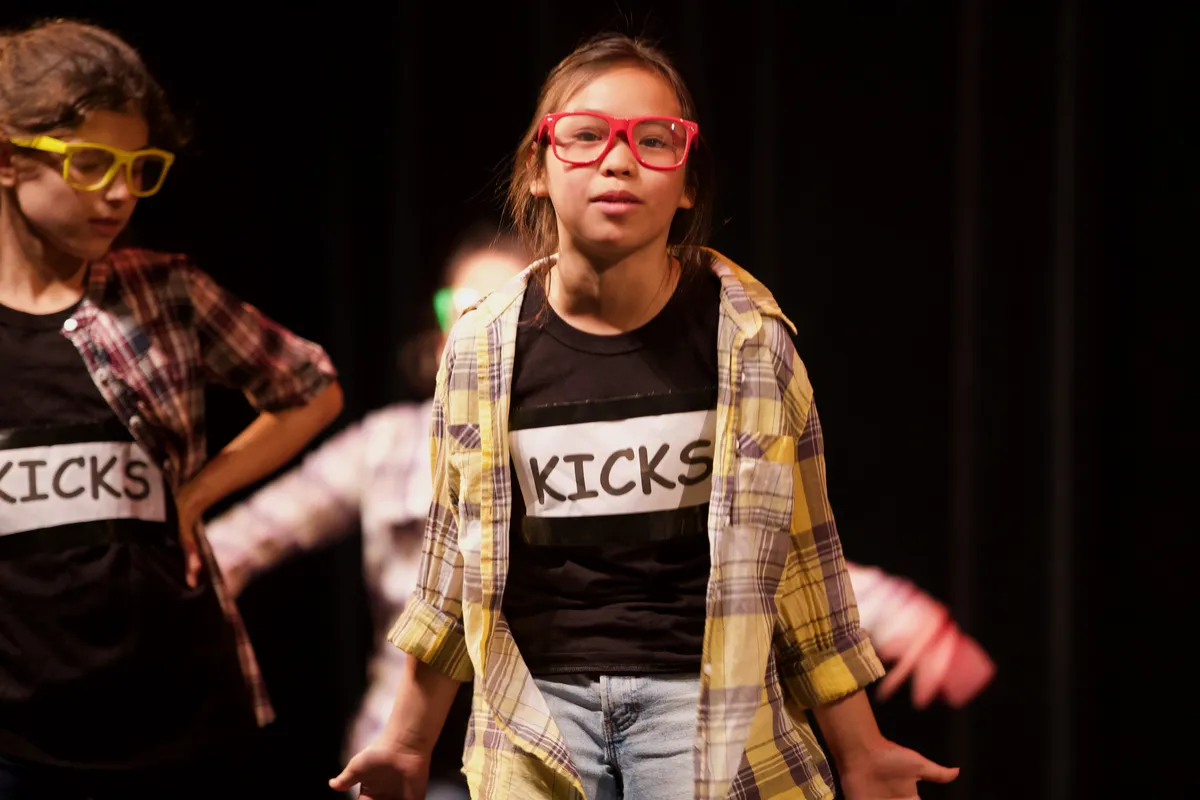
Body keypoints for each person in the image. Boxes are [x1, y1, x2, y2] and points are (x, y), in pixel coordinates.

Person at [331, 32, 963, 800]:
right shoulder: (481, 349)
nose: (618, 160)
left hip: (702, 714)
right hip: (536, 717)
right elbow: (453, 566)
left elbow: (802, 561)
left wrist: (860, 751)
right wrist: (405, 740)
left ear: (688, 182)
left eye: (654, 140)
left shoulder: (749, 344)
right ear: (537, 168)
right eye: (586, 136)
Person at [0, 19, 342, 800]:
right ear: (7, 157)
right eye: (90, 164)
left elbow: (312, 387)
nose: (118, 192)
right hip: (19, 736)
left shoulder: (163, 292)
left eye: (137, 167)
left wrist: (195, 494)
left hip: (177, 717)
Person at [205, 224, 531, 800]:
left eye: (507, 310)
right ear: (438, 336)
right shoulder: (387, 445)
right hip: (407, 762)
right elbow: (246, 537)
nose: (480, 328)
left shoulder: (571, 451)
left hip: (537, 757)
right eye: (462, 309)